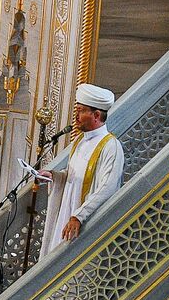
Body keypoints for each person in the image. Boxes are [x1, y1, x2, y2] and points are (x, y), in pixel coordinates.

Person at [40, 84, 125, 258]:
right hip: (66, 215)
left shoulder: (111, 146)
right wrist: (55, 177)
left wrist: (78, 216)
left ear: (96, 115)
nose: (76, 117)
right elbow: (72, 176)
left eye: (81, 111)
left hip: (81, 224)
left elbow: (107, 188)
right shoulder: (80, 141)